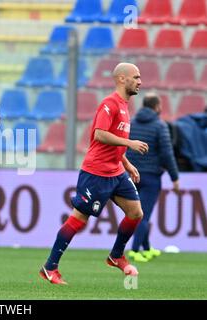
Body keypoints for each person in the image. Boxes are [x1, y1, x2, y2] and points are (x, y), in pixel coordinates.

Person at [39, 63, 149, 285]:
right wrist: (130, 143)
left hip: (116, 171)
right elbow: (100, 135)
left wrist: (125, 163)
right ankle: (50, 267)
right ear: (121, 79)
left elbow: (113, 144)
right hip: (96, 173)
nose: (140, 81)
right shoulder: (109, 104)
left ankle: (116, 255)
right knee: (79, 219)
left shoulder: (125, 106)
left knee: (136, 213)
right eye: (136, 77)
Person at [126, 93, 179, 262]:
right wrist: (174, 177)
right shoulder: (159, 125)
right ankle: (134, 250)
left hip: (131, 173)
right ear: (157, 106)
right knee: (143, 214)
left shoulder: (131, 122)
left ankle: (147, 248)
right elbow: (167, 153)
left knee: (137, 211)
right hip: (151, 176)